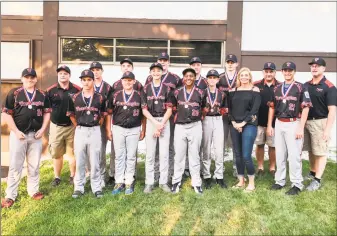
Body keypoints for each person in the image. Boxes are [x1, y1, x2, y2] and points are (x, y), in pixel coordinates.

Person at [1, 68, 51, 208]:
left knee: (34, 165)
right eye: (27, 77)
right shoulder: (14, 93)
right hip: (19, 135)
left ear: (36, 79)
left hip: (36, 135)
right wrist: (16, 131)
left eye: (32, 77)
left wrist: (43, 129)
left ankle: (33, 191)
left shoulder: (42, 94)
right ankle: (10, 195)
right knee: (15, 166)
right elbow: (6, 114)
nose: (29, 79)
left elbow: (47, 113)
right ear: (22, 79)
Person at [267, 61, 312, 195]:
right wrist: (270, 125)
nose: (287, 72)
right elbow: (272, 107)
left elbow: (306, 107)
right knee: (280, 154)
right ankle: (279, 181)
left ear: (294, 72)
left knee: (294, 155)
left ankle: (297, 184)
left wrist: (300, 127)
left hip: (294, 123)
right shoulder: (277, 87)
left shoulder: (300, 87)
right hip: (279, 122)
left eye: (290, 70)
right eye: (285, 70)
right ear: (282, 72)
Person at [106, 71, 147, 195]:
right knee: (119, 156)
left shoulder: (139, 95)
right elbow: (109, 113)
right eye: (125, 80)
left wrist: (143, 129)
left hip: (134, 129)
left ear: (134, 81)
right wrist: (108, 129)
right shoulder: (115, 94)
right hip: (118, 128)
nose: (128, 82)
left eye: (130, 80)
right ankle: (119, 181)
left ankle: (129, 180)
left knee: (131, 156)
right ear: (121, 81)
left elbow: (143, 114)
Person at [68, 69, 107, 199]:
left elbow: (103, 115)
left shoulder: (100, 97)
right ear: (81, 81)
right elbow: (71, 114)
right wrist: (78, 125)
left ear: (93, 80)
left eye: (89, 79)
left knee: (95, 159)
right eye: (84, 80)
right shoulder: (75, 97)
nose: (86, 82)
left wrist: (96, 124)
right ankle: (79, 187)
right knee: (80, 159)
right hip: (80, 130)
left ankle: (96, 187)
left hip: (95, 129)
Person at [145, 52, 183, 184]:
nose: (163, 62)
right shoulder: (148, 82)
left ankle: (169, 174)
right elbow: (145, 106)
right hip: (153, 119)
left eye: (165, 60)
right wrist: (155, 123)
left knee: (169, 147)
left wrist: (164, 121)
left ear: (168, 62)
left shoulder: (175, 78)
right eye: (160, 60)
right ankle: (155, 175)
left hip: (169, 117)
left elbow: (180, 97)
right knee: (154, 150)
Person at [303, 57, 337, 191]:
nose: (314, 68)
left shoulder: (329, 87)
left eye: (318, 66)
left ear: (324, 68)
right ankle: (312, 172)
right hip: (306, 121)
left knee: (320, 151)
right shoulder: (306, 85)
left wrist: (327, 130)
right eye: (312, 66)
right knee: (311, 150)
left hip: (320, 122)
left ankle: (317, 180)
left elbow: (332, 111)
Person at [171, 68, 206, 194]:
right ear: (183, 78)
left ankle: (196, 183)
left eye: (191, 76)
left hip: (195, 125)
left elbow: (204, 108)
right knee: (179, 155)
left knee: (194, 155)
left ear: (195, 78)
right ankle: (176, 181)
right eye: (186, 76)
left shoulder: (201, 92)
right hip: (180, 126)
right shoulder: (177, 92)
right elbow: (173, 108)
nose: (189, 78)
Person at [46, 65, 81, 187]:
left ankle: (72, 176)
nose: (62, 75)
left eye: (65, 73)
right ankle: (57, 177)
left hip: (72, 126)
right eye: (60, 73)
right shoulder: (50, 90)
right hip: (56, 126)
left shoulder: (77, 90)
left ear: (69, 75)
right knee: (56, 153)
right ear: (58, 75)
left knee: (72, 153)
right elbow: (46, 109)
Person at [228, 67, 261, 192]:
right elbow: (229, 109)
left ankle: (251, 182)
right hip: (235, 124)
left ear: (250, 77)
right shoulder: (233, 91)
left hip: (249, 125)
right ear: (239, 77)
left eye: (246, 75)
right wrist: (234, 122)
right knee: (238, 155)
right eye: (242, 75)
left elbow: (254, 110)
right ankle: (241, 181)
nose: (244, 77)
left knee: (246, 155)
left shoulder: (255, 90)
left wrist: (243, 123)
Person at [142, 63, 173, 193]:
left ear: (162, 72)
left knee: (164, 154)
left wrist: (161, 125)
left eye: (158, 71)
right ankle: (149, 182)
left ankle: (163, 182)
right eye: (153, 71)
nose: (156, 73)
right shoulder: (145, 88)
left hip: (164, 121)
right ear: (150, 73)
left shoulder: (167, 88)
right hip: (151, 121)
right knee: (150, 154)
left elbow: (170, 109)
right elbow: (144, 110)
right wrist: (156, 124)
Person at [201, 69, 227, 189]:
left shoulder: (222, 94)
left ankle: (219, 175)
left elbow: (225, 108)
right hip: (206, 120)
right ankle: (206, 175)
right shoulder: (202, 93)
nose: (212, 80)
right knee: (206, 147)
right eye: (209, 78)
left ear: (217, 80)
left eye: (214, 78)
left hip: (217, 120)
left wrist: (221, 110)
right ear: (207, 80)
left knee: (219, 148)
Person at [253, 62, 280, 177]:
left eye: (271, 71)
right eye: (266, 71)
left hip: (274, 122)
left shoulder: (280, 86)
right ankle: (260, 167)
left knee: (272, 146)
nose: (268, 74)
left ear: (275, 72)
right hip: (258, 121)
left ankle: (272, 167)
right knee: (259, 145)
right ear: (263, 72)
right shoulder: (256, 85)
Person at [89, 61, 112, 188]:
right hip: (89, 124)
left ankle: (102, 176)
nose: (95, 72)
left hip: (102, 124)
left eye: (98, 69)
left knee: (101, 150)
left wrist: (108, 129)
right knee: (89, 151)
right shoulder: (87, 86)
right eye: (93, 70)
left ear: (102, 71)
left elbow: (109, 111)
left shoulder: (108, 88)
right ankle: (92, 175)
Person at [217, 54, 239, 177]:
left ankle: (236, 168)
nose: (230, 64)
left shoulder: (240, 78)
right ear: (225, 64)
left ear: (237, 64)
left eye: (232, 62)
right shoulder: (220, 78)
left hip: (237, 115)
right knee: (221, 142)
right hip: (223, 116)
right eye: (228, 62)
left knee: (236, 142)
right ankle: (221, 168)